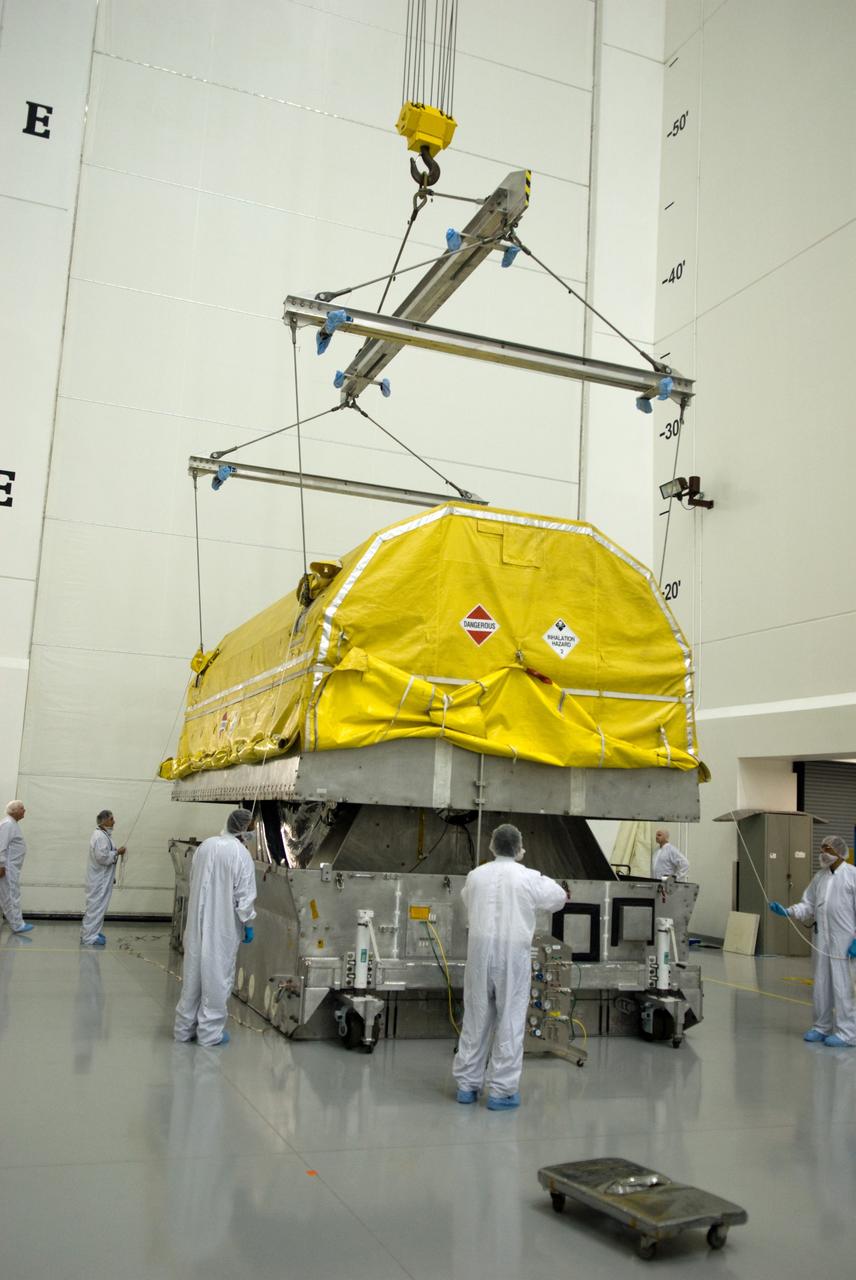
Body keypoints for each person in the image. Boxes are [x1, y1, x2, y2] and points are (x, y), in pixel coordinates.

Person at [453, 823, 568, 1110]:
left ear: (492, 846)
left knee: (476, 1018)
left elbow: (467, 899)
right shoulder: (528, 877)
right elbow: (558, 898)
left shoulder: (476, 875)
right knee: (510, 1021)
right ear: (518, 848)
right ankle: (501, 1092)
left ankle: (467, 1086)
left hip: (479, 955)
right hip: (511, 956)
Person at [174, 809, 257, 1047]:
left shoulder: (206, 846)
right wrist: (248, 922)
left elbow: (193, 880)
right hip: (222, 927)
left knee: (192, 977)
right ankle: (210, 1034)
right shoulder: (241, 854)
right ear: (243, 829)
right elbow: (245, 896)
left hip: (196, 924)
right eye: (251, 827)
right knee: (217, 977)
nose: (252, 831)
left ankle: (183, 1029)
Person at [770, 834, 856, 1047]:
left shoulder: (852, 875)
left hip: (846, 941)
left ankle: (848, 1033)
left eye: (827, 849)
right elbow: (808, 905)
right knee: (822, 984)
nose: (823, 853)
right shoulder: (820, 877)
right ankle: (821, 1026)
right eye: (821, 848)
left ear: (839, 852)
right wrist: (788, 911)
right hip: (822, 938)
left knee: (844, 986)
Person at [80, 810, 126, 947]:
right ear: (104, 821)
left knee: (98, 907)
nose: (114, 821)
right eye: (112, 819)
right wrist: (118, 852)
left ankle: (92, 932)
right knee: (96, 908)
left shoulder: (104, 835)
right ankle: (89, 937)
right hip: (98, 881)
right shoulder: (100, 836)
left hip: (102, 878)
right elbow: (102, 858)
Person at [0, 800, 33, 934]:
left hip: (11, 867)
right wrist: (1, 864)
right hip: (7, 867)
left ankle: (15, 922)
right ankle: (17, 925)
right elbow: (1, 846)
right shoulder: (8, 824)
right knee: (10, 895)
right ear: (14, 811)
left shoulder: (11, 824)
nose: (24, 810)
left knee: (8, 895)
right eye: (22, 808)